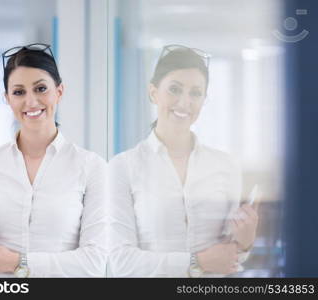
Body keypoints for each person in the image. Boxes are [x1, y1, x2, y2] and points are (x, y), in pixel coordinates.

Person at [0, 43, 107, 277]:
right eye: (18, 92)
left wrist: (17, 262)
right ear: (7, 99)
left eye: (41, 88)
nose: (31, 101)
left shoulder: (91, 167)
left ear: (59, 92)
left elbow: (95, 262)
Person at [108, 45, 259, 277]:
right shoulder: (123, 167)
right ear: (153, 92)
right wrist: (197, 262)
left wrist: (245, 242)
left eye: (195, 93)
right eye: (174, 89)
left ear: (204, 100)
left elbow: (228, 258)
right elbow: (121, 262)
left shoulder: (225, 166)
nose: (184, 102)